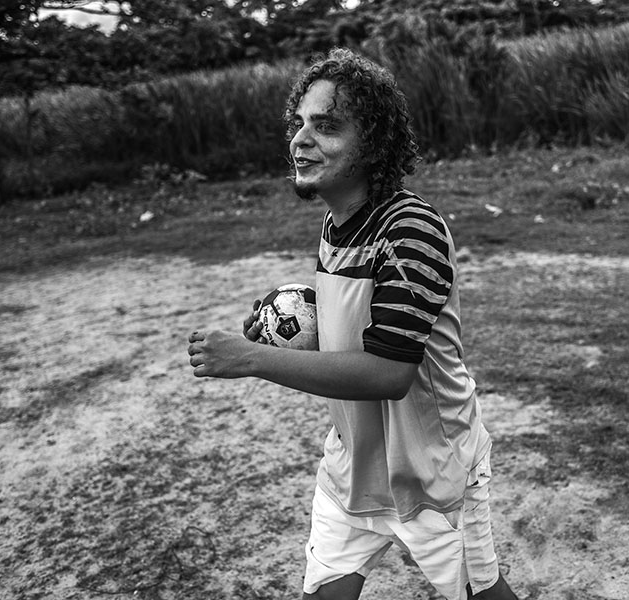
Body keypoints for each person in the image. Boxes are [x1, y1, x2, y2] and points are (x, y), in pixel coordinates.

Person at [187, 47, 519, 600]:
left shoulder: (409, 230)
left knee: (481, 595)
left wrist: (251, 359)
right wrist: (289, 322)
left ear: (373, 143)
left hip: (429, 471)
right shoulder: (335, 223)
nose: (300, 140)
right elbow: (358, 316)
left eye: (327, 126)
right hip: (353, 463)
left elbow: (389, 371)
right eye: (299, 124)